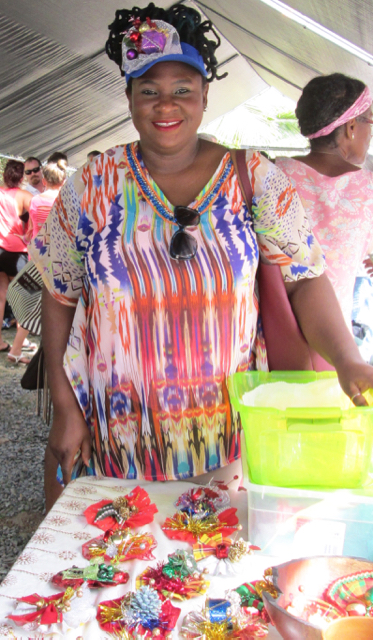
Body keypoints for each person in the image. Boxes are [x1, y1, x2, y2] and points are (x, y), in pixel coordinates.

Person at [29, 3, 373, 511]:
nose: (166, 104)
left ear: (206, 95)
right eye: (148, 90)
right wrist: (64, 406)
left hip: (225, 439)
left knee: (206, 572)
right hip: (115, 436)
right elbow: (60, 297)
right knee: (120, 568)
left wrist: (348, 359)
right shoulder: (92, 185)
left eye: (182, 89)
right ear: (128, 97)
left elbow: (304, 278)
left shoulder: (254, 177)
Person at [276, 74, 373, 330]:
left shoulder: (272, 173)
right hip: (334, 341)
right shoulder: (369, 188)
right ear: (352, 127)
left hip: (273, 332)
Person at [0, 159, 33, 363]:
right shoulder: (25, 196)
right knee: (23, 298)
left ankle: (1, 341)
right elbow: (33, 224)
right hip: (16, 250)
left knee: (1, 296)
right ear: (22, 177)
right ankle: (20, 344)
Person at [29, 159, 67, 239]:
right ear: (63, 182)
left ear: (44, 181)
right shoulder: (66, 201)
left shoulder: (35, 200)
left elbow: (31, 227)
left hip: (38, 248)